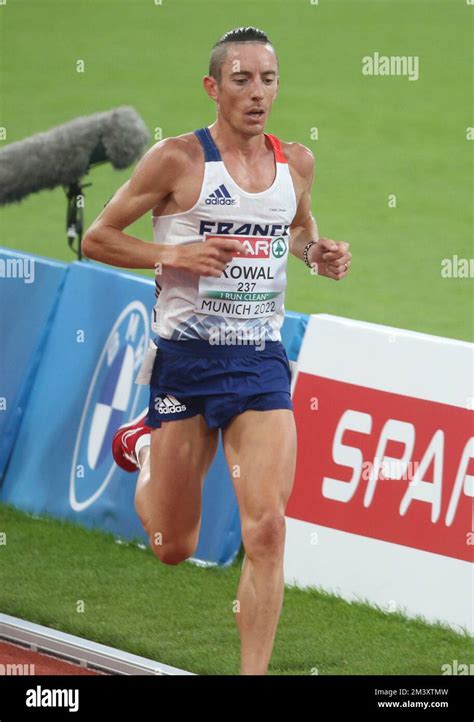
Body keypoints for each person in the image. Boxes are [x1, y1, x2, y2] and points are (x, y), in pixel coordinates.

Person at [82, 26, 351, 675]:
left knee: (267, 529)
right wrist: (173, 252)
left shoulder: (297, 163)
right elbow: (98, 238)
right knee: (175, 544)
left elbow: (294, 230)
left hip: (259, 361)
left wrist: (318, 252)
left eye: (267, 79)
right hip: (186, 360)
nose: (257, 94)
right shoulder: (177, 160)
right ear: (213, 87)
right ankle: (146, 442)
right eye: (242, 80)